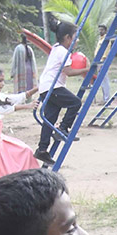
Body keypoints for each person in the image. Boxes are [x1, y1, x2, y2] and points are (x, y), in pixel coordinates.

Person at [35, 22, 84, 166]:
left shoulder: (56, 48)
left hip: (46, 87)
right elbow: (68, 71)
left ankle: (42, 149)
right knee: (75, 103)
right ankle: (63, 128)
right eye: (76, 37)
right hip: (53, 87)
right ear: (68, 38)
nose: (78, 40)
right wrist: (86, 69)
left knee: (49, 118)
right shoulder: (63, 52)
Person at [96, 25, 112, 105]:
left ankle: (106, 99)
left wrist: (102, 61)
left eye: (102, 30)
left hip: (102, 61)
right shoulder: (100, 39)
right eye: (99, 30)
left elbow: (106, 51)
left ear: (105, 31)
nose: (100, 31)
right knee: (102, 81)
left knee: (105, 81)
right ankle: (104, 98)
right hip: (99, 61)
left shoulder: (106, 40)